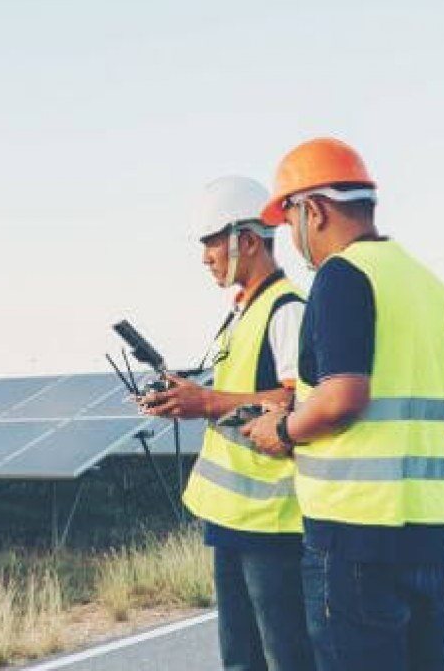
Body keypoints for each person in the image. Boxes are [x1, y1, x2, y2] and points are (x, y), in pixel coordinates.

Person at [244, 138, 444, 671]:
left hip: (355, 532)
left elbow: (343, 398)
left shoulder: (343, 274)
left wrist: (283, 431)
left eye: (289, 218)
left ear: (312, 210)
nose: (292, 239)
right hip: (429, 528)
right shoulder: (429, 286)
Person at [143, 176, 314, 671]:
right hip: (232, 519)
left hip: (272, 523)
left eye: (211, 242)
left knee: (285, 656)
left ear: (247, 240)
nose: (205, 258)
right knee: (240, 659)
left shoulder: (287, 311)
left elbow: (295, 402)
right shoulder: (243, 313)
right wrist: (187, 397)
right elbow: (233, 400)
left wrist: (207, 401)